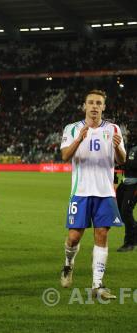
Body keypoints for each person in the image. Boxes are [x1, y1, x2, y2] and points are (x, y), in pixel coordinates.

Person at [59, 89, 126, 300]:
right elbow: (64, 156)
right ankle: (68, 265)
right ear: (84, 106)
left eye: (99, 103)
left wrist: (117, 148)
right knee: (73, 237)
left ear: (104, 107)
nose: (95, 106)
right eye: (91, 103)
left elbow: (122, 160)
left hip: (105, 192)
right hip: (81, 192)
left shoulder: (113, 129)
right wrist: (79, 139)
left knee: (102, 235)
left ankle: (98, 284)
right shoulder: (72, 129)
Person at [115, 126, 136, 252]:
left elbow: (126, 163)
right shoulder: (129, 146)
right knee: (119, 210)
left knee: (126, 211)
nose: (129, 133)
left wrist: (125, 163)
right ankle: (134, 232)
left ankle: (129, 242)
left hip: (135, 183)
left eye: (131, 131)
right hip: (125, 182)